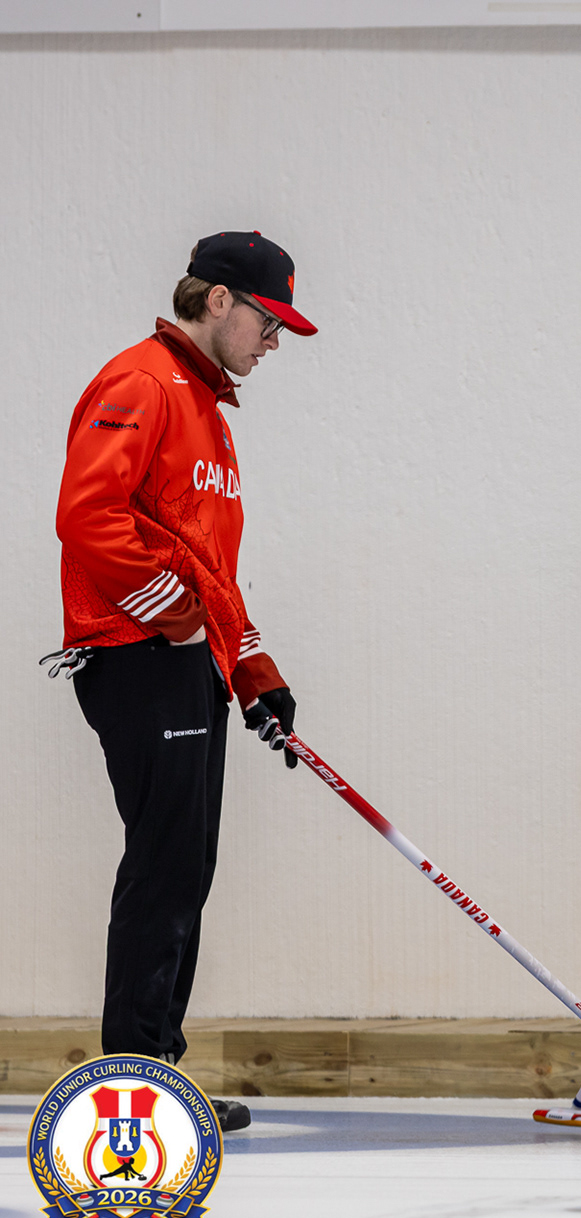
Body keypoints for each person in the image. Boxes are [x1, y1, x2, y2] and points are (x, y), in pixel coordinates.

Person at [50, 232, 318, 1132]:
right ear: (218, 300)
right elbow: (87, 514)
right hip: (138, 654)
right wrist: (170, 615)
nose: (272, 343)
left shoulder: (206, 409)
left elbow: (209, 570)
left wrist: (250, 668)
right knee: (165, 863)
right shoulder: (141, 382)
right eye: (268, 322)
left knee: (186, 863)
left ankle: (155, 1066)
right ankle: (133, 1085)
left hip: (183, 657)